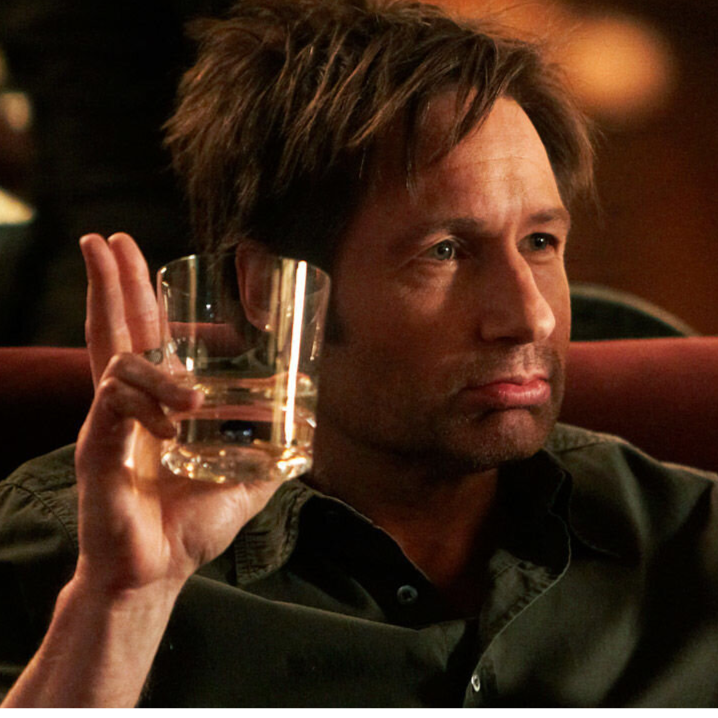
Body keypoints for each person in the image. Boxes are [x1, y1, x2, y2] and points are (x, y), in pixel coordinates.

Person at [1, 0, 717, 708]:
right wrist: (126, 601)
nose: (530, 315)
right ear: (270, 290)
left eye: (540, 242)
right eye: (444, 251)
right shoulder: (83, 550)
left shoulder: (685, 538)